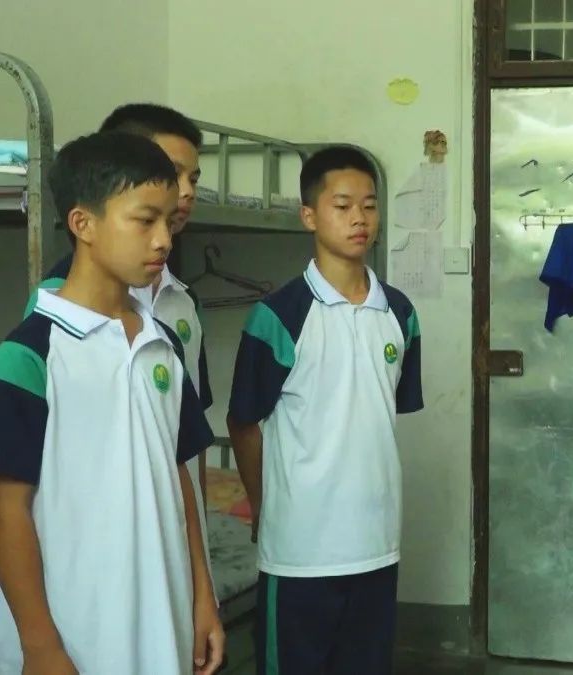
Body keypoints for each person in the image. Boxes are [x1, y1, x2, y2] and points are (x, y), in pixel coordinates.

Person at [0, 131, 224, 675]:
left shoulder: (162, 346)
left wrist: (202, 597)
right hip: (72, 639)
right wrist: (40, 646)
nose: (163, 240)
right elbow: (6, 512)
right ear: (83, 224)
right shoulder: (30, 355)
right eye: (144, 221)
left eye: (167, 221)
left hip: (163, 626)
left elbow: (180, 481)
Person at [226, 146, 423, 674]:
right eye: (342, 205)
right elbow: (242, 422)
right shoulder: (278, 316)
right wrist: (264, 505)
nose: (359, 218)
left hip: (377, 544)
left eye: (370, 205)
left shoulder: (400, 313)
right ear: (309, 215)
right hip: (299, 551)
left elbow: (382, 415)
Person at [24, 103, 214, 519]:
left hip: (172, 530)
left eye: (193, 178)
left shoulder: (183, 301)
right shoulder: (59, 308)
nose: (185, 191)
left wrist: (200, 524)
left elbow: (188, 437)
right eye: (172, 172)